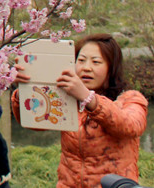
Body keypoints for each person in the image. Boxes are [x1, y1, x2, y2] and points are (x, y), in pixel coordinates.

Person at [12, 33, 149, 188]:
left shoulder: (130, 98)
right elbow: (35, 123)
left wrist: (89, 99)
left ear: (111, 68)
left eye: (96, 62)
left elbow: (131, 126)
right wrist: (25, 89)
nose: (86, 68)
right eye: (81, 60)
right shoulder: (68, 99)